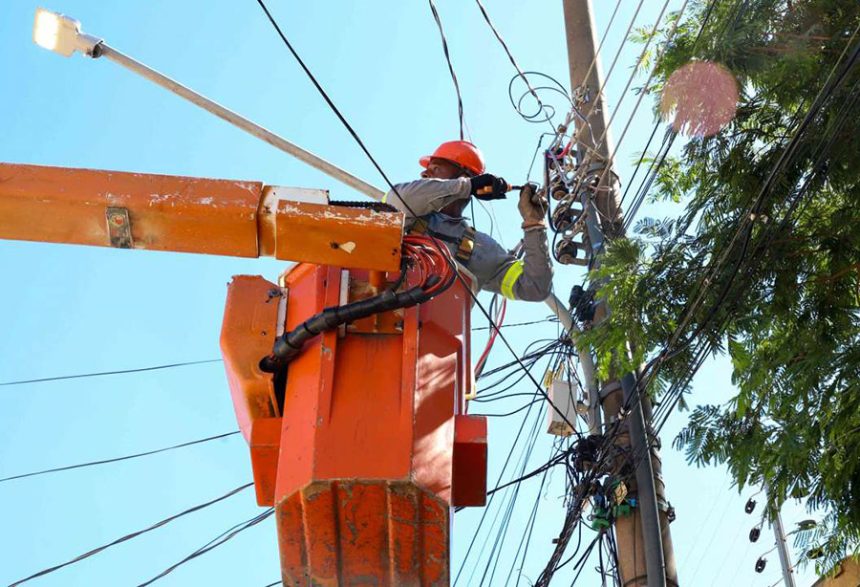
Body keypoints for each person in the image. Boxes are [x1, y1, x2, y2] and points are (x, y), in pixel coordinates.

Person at [383, 140, 552, 301]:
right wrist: (466, 186)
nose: (424, 173)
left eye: (435, 168)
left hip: (435, 321)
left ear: (464, 176)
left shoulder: (480, 247)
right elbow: (401, 198)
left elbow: (535, 287)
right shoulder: (405, 211)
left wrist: (534, 223)